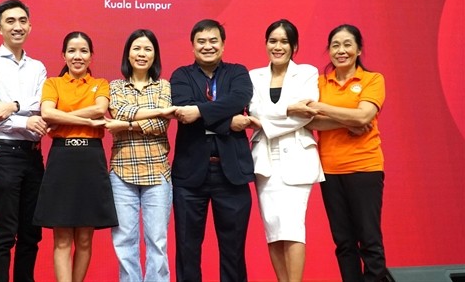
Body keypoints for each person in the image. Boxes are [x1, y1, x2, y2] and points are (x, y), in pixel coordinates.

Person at [171, 19, 254, 282]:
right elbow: (184, 110)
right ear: (193, 46)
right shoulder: (181, 75)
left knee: (233, 251)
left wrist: (199, 112)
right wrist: (229, 121)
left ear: (223, 43)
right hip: (189, 176)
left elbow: (239, 99)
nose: (208, 46)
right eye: (201, 41)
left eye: (213, 40)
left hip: (232, 174)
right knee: (187, 249)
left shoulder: (238, 72)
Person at [33, 31, 118, 282]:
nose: (77, 56)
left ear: (91, 56)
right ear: (63, 55)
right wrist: (84, 118)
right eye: (72, 51)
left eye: (83, 51)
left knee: (84, 238)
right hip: (62, 160)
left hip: (91, 160)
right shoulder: (53, 83)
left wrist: (61, 120)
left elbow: (100, 109)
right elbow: (47, 113)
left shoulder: (101, 84)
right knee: (61, 238)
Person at [0, 0, 48, 282]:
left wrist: (13, 105)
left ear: (30, 25)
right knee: (5, 232)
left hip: (32, 156)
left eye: (22, 21)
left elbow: (41, 105)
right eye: (10, 22)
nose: (17, 27)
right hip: (3, 154)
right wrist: (23, 119)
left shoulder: (38, 67)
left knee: (32, 233)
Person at [307, 24, 387, 282]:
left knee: (369, 240)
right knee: (343, 242)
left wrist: (323, 108)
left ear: (359, 49)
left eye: (347, 44)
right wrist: (350, 120)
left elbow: (365, 114)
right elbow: (310, 122)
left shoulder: (372, 80)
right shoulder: (319, 83)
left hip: (365, 168)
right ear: (329, 50)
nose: (341, 51)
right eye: (335, 45)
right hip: (329, 170)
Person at [247, 19, 325, 282]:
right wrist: (288, 108)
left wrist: (282, 114)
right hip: (265, 160)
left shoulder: (306, 72)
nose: (277, 46)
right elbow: (254, 112)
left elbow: (306, 114)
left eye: (284, 41)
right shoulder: (253, 76)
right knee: (273, 229)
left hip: (297, 157)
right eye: (273, 41)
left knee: (292, 228)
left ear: (294, 46)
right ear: (266, 43)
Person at [105, 29, 177, 282]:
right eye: (137, 48)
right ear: (128, 54)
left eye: (147, 49)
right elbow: (119, 110)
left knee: (157, 241)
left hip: (157, 171)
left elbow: (162, 124)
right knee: (124, 241)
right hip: (122, 172)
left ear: (155, 54)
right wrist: (156, 112)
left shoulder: (164, 85)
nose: (142, 54)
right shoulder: (114, 86)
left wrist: (127, 125)